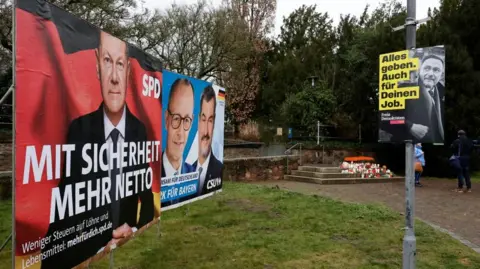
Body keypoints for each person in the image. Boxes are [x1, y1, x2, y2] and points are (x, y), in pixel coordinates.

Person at [41, 31, 154, 269]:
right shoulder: (79, 130)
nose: (114, 77)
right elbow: (67, 201)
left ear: (128, 72)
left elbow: (147, 201)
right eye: (107, 61)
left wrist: (132, 229)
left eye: (120, 64)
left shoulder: (139, 131)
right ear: (97, 67)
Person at [160, 78, 196, 207]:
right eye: (176, 118)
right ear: (166, 119)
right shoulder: (151, 173)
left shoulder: (193, 174)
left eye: (186, 120)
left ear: (192, 122)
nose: (181, 132)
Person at [405, 54, 445, 143]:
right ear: (419, 70)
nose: (430, 74)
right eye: (427, 68)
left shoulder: (443, 92)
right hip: (412, 145)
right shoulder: (405, 88)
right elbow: (386, 118)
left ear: (441, 75)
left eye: (436, 70)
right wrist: (410, 126)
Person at [192, 85, 223, 196]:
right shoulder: (188, 170)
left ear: (214, 123)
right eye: (203, 119)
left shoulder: (219, 169)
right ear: (198, 120)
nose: (205, 132)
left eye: (210, 121)